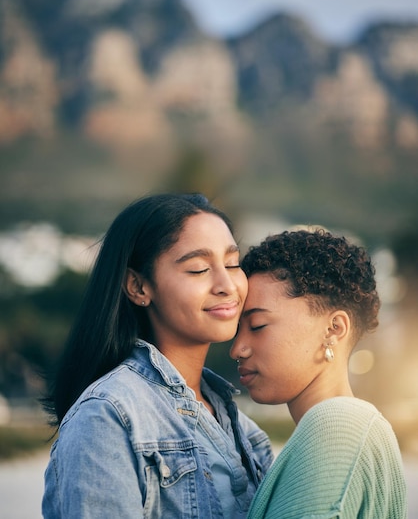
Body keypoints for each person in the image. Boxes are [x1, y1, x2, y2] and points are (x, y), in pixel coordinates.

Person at [42, 193, 274, 518]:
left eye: (233, 263)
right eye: (198, 269)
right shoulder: (108, 417)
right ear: (138, 287)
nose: (227, 285)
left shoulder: (239, 426)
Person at [230, 228, 407, 519]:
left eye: (258, 325)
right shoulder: (352, 428)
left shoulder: (339, 426)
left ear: (334, 328)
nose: (237, 349)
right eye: (237, 329)